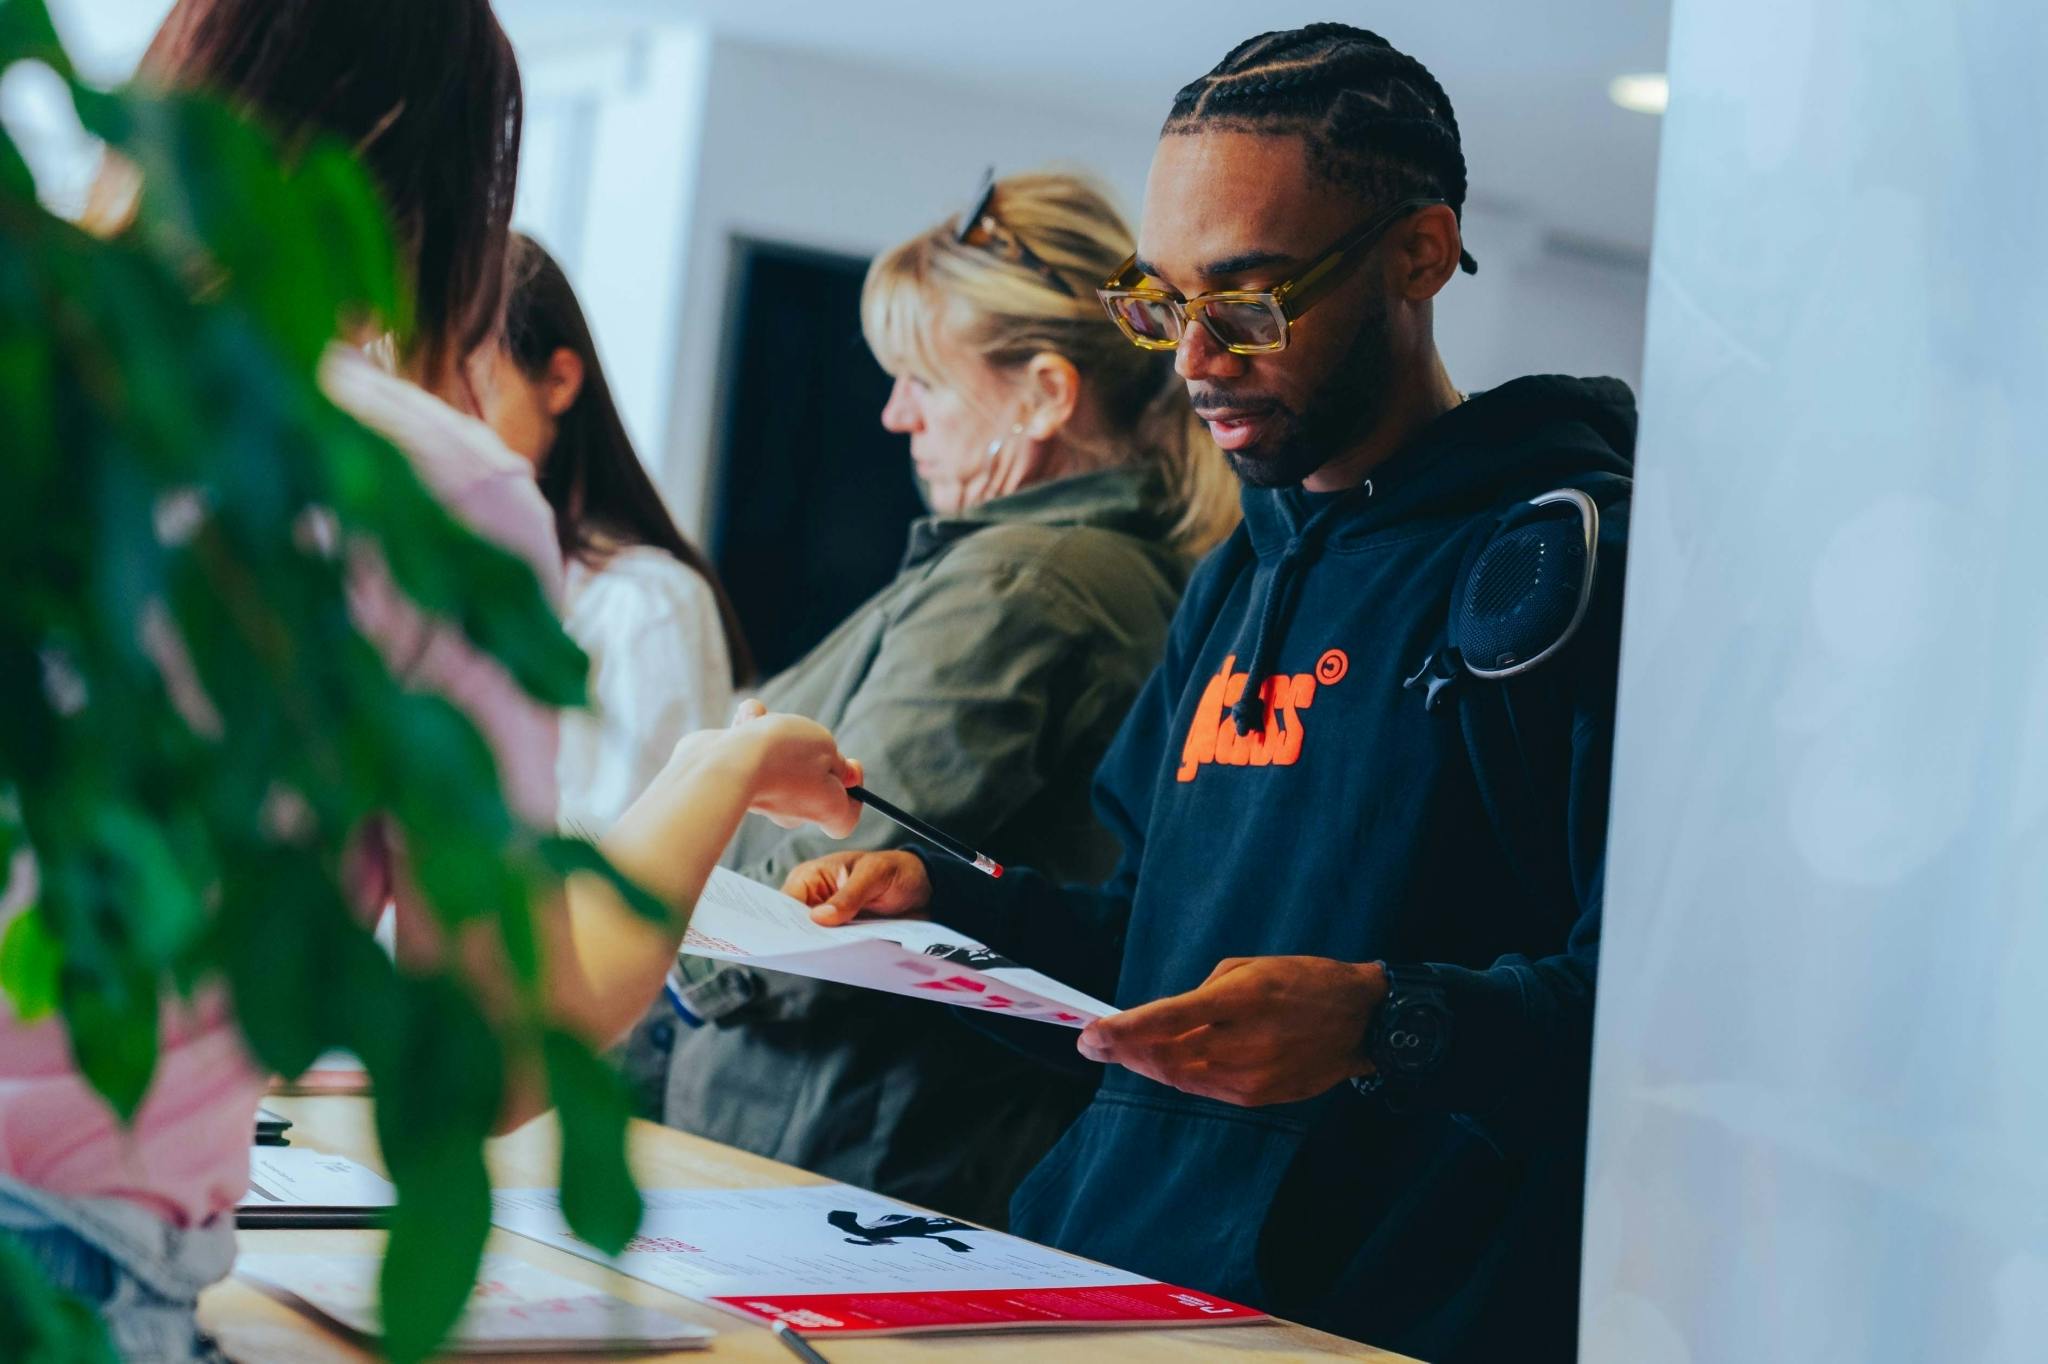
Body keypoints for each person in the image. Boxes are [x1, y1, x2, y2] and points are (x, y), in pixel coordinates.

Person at [0, 4, 861, 1359]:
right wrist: (724, 766)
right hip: (67, 1254)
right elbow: (496, 1039)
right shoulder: (423, 489)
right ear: (439, 183)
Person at [782, 25, 1634, 1364]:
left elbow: (1650, 1026)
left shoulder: (1562, 565)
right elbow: (1157, 945)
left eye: (1244, 301)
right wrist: (952, 908)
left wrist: (1381, 1020)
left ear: (1419, 252)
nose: (1191, 358)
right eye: (1160, 302)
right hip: (1108, 1278)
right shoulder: (1240, 570)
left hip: (1369, 1321)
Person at [641, 171, 1240, 1228]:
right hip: (868, 1153)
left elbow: (823, 887)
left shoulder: (1027, 581)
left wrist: (627, 988)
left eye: (920, 376)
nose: (892, 410)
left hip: (842, 1161)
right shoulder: (1071, 565)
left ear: (1044, 393)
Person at [482, 234, 754, 834]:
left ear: (558, 382)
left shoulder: (646, 606)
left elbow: (634, 877)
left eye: (477, 389)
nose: (443, 421)